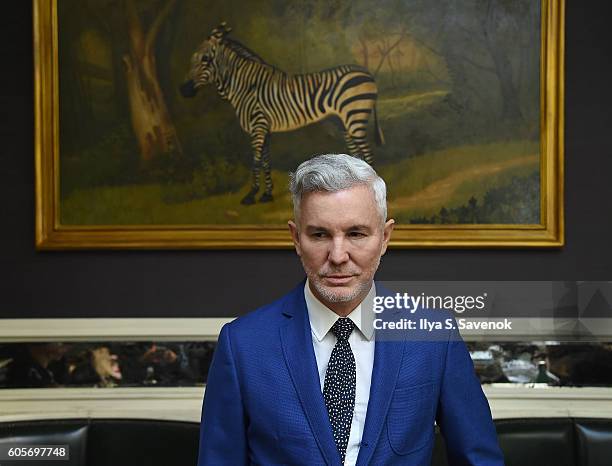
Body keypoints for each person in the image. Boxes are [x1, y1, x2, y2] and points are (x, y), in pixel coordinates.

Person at [197, 154, 504, 465]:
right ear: (296, 238)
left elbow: (479, 458)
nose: (338, 255)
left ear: (385, 237)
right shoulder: (243, 344)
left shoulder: (432, 335)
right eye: (320, 234)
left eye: (356, 233)